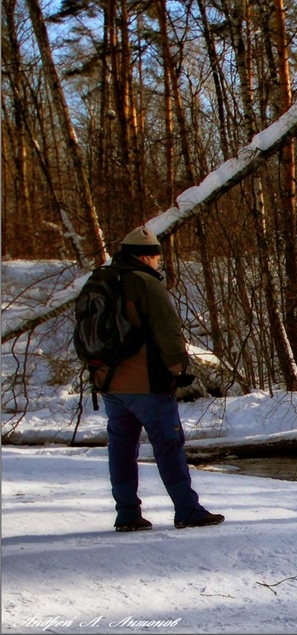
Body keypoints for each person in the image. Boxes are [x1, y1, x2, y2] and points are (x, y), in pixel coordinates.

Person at [95, 226, 224, 532]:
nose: (158, 262)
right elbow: (168, 331)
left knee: (121, 448)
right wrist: (178, 370)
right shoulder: (145, 283)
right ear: (145, 256)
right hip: (148, 384)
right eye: (156, 257)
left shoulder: (102, 280)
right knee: (168, 445)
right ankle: (187, 510)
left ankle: (127, 513)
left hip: (110, 383)